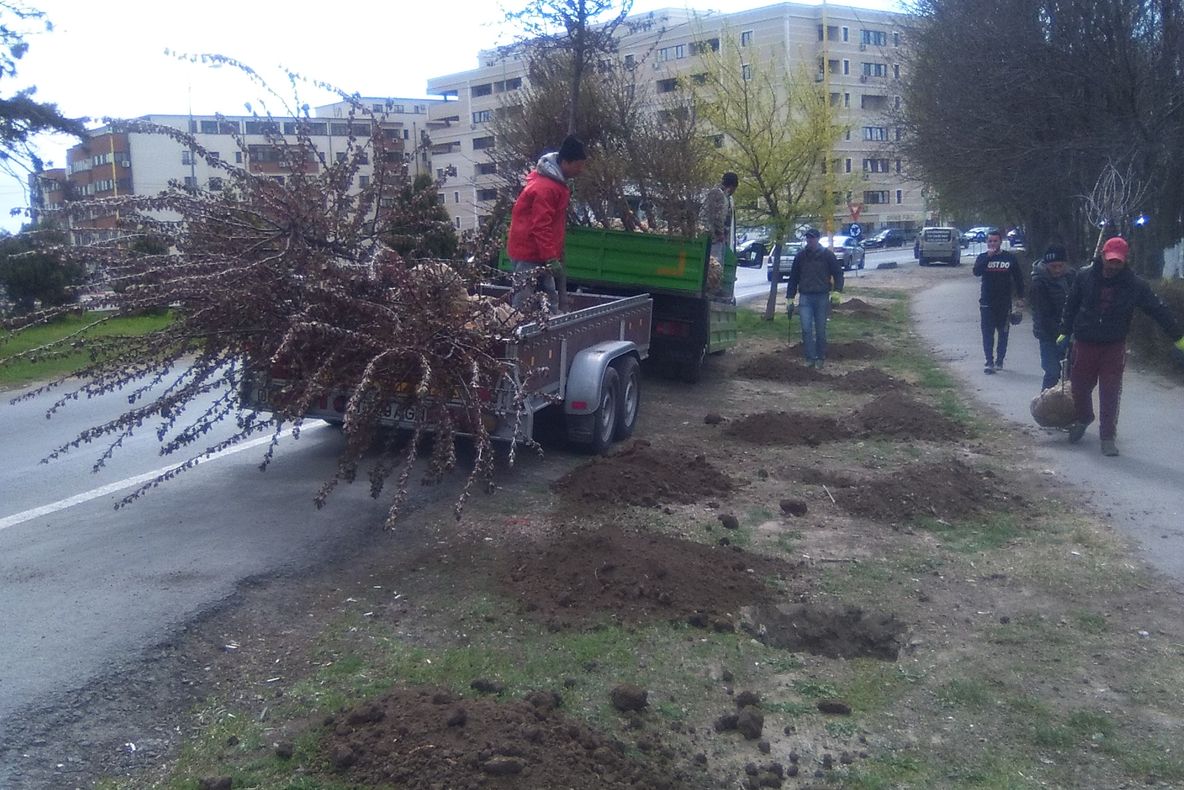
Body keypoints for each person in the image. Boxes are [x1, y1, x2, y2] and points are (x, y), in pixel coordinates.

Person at [1059, 236, 1184, 456]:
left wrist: (1178, 336)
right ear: (1102, 256)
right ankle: (1084, 417)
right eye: (1110, 260)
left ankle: (1107, 436)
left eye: (1118, 261)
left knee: (1110, 391)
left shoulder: (1135, 285)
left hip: (1113, 345)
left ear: (1125, 260)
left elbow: (1157, 309)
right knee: (1079, 387)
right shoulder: (1084, 276)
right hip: (1085, 342)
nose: (1113, 266)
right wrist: (1064, 329)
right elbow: (1072, 304)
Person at [507, 135, 587, 312]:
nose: (580, 170)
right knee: (524, 300)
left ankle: (548, 324)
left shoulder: (554, 184)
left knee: (548, 297)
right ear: (565, 162)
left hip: (538, 251)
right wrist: (551, 257)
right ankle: (519, 327)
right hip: (529, 252)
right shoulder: (547, 188)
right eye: (578, 165)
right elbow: (541, 225)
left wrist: (551, 254)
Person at [786, 228, 844, 369]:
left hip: (822, 297)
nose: (810, 240)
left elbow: (838, 273)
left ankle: (820, 357)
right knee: (806, 329)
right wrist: (790, 298)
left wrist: (837, 291)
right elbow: (793, 278)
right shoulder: (800, 256)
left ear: (817, 239)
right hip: (805, 297)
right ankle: (810, 358)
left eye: (812, 238)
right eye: (808, 238)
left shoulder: (827, 255)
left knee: (820, 330)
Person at [972, 228, 1025, 374]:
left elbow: (1018, 278)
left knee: (1003, 333)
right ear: (986, 242)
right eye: (990, 241)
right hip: (987, 302)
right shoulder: (983, 257)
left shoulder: (1009, 258)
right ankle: (989, 361)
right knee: (987, 333)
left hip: (1004, 302)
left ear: (1000, 242)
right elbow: (976, 272)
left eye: (995, 241)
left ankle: (1000, 360)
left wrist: (1020, 297)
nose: (992, 244)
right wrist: (988, 258)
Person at [1030, 244, 1076, 390]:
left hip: (1070, 333)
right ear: (1046, 265)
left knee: (1072, 374)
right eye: (1053, 266)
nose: (1057, 270)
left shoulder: (1072, 277)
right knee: (1052, 372)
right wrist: (1061, 333)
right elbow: (1043, 314)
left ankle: (1070, 401)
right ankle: (1046, 400)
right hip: (1048, 334)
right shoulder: (1038, 283)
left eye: (1060, 266)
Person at [700, 172, 739, 263]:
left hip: (711, 235)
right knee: (716, 264)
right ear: (732, 186)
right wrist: (721, 234)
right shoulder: (719, 194)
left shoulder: (719, 193)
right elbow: (718, 217)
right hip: (712, 237)